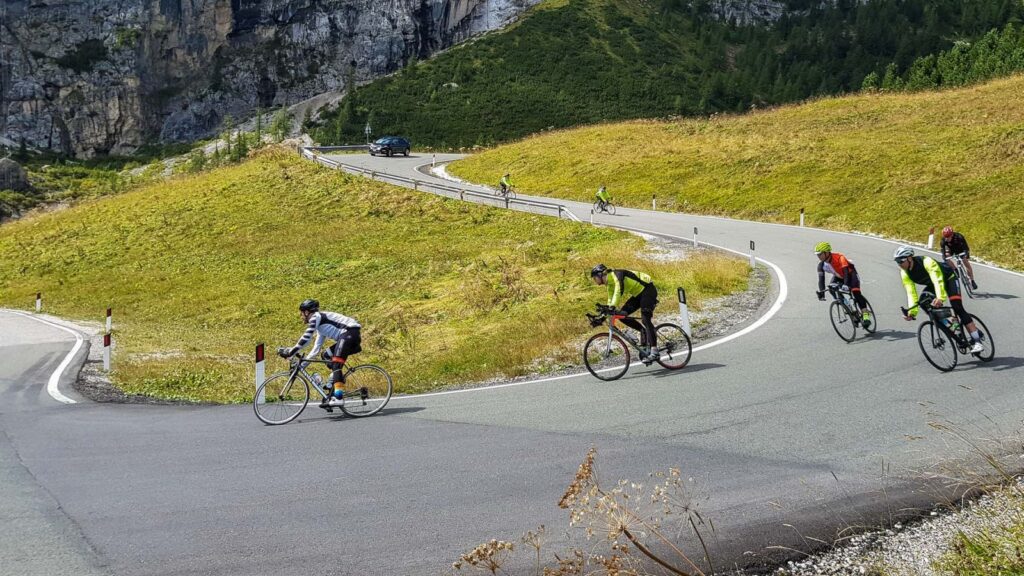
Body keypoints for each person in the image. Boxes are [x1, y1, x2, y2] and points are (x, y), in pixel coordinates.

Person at [893, 246, 984, 354]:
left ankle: (977, 341)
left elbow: (938, 280)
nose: (899, 264)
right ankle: (951, 324)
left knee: (957, 306)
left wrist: (940, 298)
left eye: (901, 261)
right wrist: (912, 312)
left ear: (909, 258)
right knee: (924, 302)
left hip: (949, 278)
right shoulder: (904, 273)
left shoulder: (927, 262)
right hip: (932, 285)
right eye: (897, 261)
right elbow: (911, 293)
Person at [278, 299, 363, 410]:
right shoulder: (321, 327)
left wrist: (291, 351)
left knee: (336, 364)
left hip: (350, 333)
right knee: (326, 356)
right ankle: (333, 384)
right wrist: (302, 366)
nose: (301, 316)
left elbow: (306, 337)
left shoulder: (316, 317)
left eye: (302, 313)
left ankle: (338, 398)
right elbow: (315, 350)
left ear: (307, 312)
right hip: (348, 336)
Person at [590, 264, 659, 363]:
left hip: (648, 289)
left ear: (600, 275)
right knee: (622, 315)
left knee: (645, 319)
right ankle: (643, 332)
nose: (595, 281)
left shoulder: (617, 275)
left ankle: (654, 350)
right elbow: (610, 299)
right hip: (638, 294)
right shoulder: (609, 284)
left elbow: (618, 291)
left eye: (595, 278)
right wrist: (604, 314)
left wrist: (613, 306)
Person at [814, 242, 872, 329]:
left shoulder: (839, 257)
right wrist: (821, 292)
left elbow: (846, 272)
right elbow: (821, 279)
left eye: (820, 254)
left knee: (856, 292)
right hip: (838, 276)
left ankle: (866, 315)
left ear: (827, 252)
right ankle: (848, 309)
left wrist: (845, 284)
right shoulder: (821, 265)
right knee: (831, 289)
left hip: (850, 275)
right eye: (817, 255)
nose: (818, 256)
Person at [940, 226, 978, 290]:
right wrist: (945, 257)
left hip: (960, 250)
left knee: (965, 261)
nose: (946, 238)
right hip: (951, 250)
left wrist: (966, 253)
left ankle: (972, 280)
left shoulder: (959, 236)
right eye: (945, 237)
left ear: (952, 235)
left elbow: (966, 247)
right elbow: (943, 250)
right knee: (946, 258)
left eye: (948, 237)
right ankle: (955, 269)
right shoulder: (943, 240)